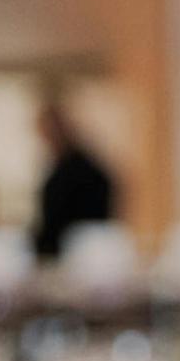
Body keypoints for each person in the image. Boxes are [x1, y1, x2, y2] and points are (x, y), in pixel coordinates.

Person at [31, 100, 118, 259]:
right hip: (72, 248)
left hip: (73, 252)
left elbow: (56, 222)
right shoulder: (68, 166)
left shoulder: (75, 171)